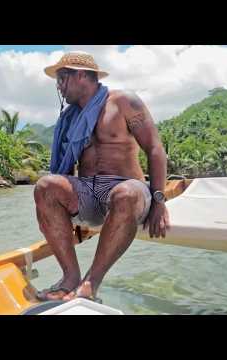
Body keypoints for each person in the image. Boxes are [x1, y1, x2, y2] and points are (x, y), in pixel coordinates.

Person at [34, 51, 170, 302]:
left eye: (62, 78)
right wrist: (61, 214)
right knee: (46, 186)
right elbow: (66, 170)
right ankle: (70, 278)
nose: (59, 87)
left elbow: (155, 149)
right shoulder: (70, 118)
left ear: (82, 75)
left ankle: (90, 283)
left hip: (127, 191)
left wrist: (159, 201)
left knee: (126, 194)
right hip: (87, 191)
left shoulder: (124, 102)